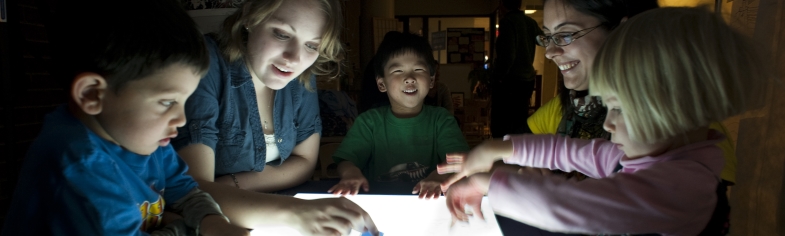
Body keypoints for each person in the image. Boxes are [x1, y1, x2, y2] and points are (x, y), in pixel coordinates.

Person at [439, 6, 771, 235]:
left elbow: (568, 205)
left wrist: (486, 183)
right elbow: (568, 152)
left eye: (619, 108)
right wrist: (496, 149)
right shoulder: (654, 158)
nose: (608, 124)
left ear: (677, 108)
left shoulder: (683, 185)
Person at [1, 0, 249, 235]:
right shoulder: (81, 167)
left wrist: (215, 223)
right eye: (167, 102)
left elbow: (185, 190)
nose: (181, 119)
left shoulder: (146, 138)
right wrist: (185, 228)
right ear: (92, 94)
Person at [172, 0, 379, 235]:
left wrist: (228, 186)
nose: (294, 58)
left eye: (312, 46)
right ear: (250, 16)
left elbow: (304, 162)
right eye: (281, 34)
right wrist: (295, 212)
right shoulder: (205, 61)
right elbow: (192, 192)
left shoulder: (301, 76)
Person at [523, 0, 739, 189]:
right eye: (548, 36)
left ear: (620, 30)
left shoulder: (690, 128)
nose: (550, 52)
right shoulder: (562, 110)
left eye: (566, 34)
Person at [328, 32, 470, 199]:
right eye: (398, 71)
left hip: (429, 203)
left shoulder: (442, 120)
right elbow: (346, 160)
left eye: (418, 69)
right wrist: (350, 173)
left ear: (431, 81)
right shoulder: (369, 122)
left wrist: (439, 176)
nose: (409, 78)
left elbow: (460, 161)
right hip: (381, 204)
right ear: (382, 83)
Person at [489, 0, 543, 138]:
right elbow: (542, 40)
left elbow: (508, 55)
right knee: (520, 120)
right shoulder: (530, 22)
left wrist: (498, 76)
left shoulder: (508, 22)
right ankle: (518, 153)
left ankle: (502, 153)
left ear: (501, 5)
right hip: (527, 80)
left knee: (503, 123)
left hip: (510, 81)